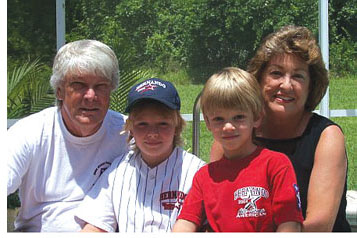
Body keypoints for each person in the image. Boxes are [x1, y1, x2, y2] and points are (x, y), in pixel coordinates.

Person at [210, 26, 351, 232]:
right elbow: (216, 209)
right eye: (276, 73)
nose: (286, 85)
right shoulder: (230, 134)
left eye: (298, 76)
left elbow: (320, 225)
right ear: (258, 80)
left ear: (311, 85)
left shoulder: (326, 137)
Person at [7, 40, 129, 232]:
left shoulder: (129, 133)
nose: (90, 95)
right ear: (59, 91)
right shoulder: (30, 132)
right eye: (79, 85)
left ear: (111, 90)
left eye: (100, 86)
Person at [172, 67, 303, 232]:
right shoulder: (204, 177)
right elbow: (185, 223)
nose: (228, 127)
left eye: (238, 117)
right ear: (207, 122)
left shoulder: (276, 165)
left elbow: (290, 225)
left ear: (256, 117)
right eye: (218, 119)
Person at [76, 78, 206, 232]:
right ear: (130, 127)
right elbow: (95, 225)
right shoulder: (118, 170)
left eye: (162, 124)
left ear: (177, 125)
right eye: (142, 124)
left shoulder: (196, 171)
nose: (152, 133)